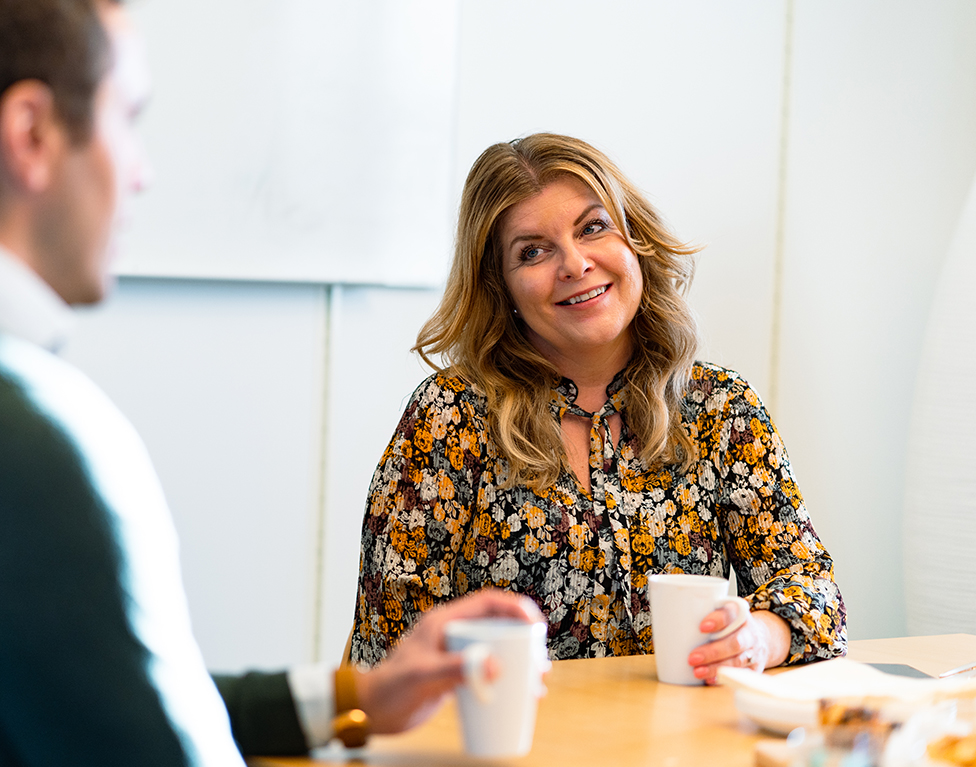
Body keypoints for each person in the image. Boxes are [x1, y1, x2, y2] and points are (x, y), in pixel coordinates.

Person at [0, 2, 541, 767]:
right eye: (126, 118)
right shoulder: (6, 433)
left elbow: (102, 710)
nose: (142, 170)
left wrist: (357, 700)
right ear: (31, 134)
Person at [349, 133, 847, 682]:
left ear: (636, 239)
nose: (575, 263)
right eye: (532, 251)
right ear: (501, 287)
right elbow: (389, 655)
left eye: (592, 227)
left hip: (682, 757)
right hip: (508, 753)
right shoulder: (450, 418)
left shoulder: (721, 410)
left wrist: (759, 637)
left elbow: (814, 594)